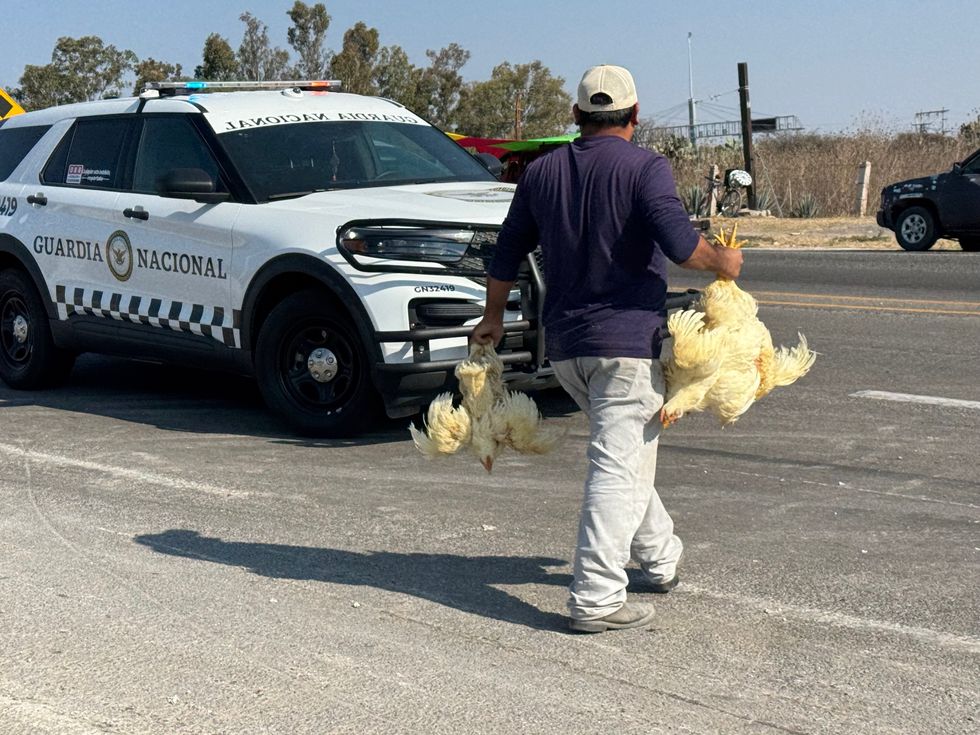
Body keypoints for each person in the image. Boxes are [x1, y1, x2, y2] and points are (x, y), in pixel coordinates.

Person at [470, 64, 742, 633]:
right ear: (635, 115)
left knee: (627, 456)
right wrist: (724, 260)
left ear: (576, 116)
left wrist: (492, 317)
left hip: (568, 350)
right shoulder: (646, 167)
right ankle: (595, 597)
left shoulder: (541, 172)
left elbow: (505, 251)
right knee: (617, 466)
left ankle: (661, 560)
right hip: (627, 346)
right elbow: (681, 245)